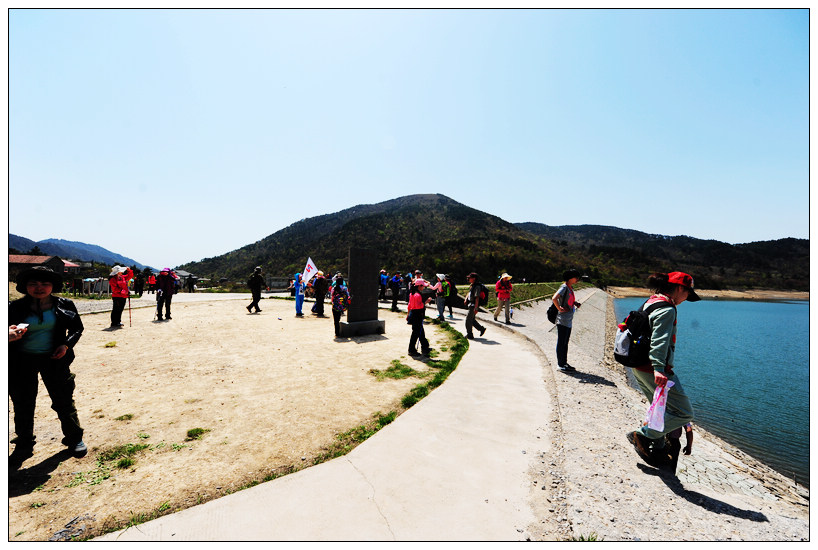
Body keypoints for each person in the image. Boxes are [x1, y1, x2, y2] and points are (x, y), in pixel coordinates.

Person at [8, 266, 87, 468]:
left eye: (45, 283)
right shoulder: (13, 308)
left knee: (63, 400)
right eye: (33, 284)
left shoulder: (65, 304)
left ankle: (74, 438)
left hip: (54, 359)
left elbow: (77, 328)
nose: (39, 288)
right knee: (23, 403)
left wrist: (66, 344)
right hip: (21, 361)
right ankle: (24, 444)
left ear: (53, 286)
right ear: (25, 287)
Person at [626, 271, 699, 468]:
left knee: (658, 409)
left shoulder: (651, 301)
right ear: (679, 288)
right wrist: (659, 368)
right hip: (653, 369)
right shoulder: (668, 309)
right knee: (684, 412)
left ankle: (657, 447)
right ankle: (642, 435)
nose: (685, 299)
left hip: (637, 365)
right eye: (687, 294)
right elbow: (660, 341)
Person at [552, 269, 582, 372]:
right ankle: (560, 365)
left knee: (565, 343)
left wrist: (575, 303)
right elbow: (554, 298)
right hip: (563, 320)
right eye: (576, 277)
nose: (577, 279)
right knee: (561, 342)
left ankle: (564, 363)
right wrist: (559, 309)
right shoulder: (564, 287)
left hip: (568, 320)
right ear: (570, 278)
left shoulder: (570, 288)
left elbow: (569, 301)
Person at [407, 278, 432, 356]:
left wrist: (408, 314)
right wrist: (426, 302)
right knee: (416, 333)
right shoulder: (418, 295)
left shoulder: (411, 293)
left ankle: (425, 346)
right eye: (423, 286)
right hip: (418, 314)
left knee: (420, 331)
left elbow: (409, 305)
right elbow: (419, 306)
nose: (424, 287)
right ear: (419, 286)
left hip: (413, 313)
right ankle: (411, 349)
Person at [464, 272, 486, 339]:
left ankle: (470, 334)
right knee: (472, 320)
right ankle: (481, 329)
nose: (468, 279)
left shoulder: (477, 287)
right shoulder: (472, 285)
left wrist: (476, 308)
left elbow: (477, 297)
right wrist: (465, 298)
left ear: (474, 278)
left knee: (468, 320)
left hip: (473, 305)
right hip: (471, 304)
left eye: (469, 278)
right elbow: (469, 293)